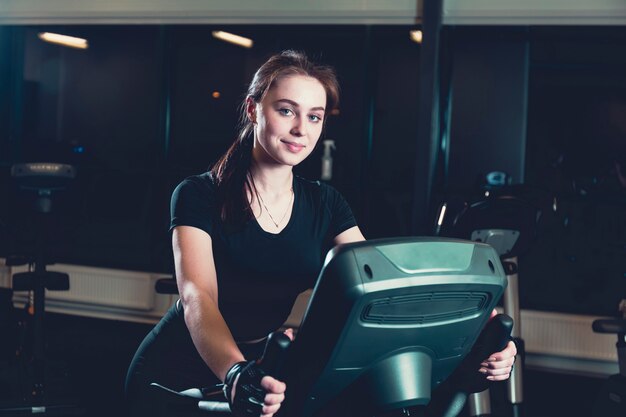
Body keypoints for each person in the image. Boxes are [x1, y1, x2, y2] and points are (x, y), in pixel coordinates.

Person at [125, 50, 517, 417]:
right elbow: (198, 297)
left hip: (262, 368)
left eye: (314, 116)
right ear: (252, 110)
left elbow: (385, 289)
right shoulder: (199, 195)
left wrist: (477, 327)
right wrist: (233, 372)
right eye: (285, 111)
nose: (300, 129)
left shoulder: (326, 204)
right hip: (177, 373)